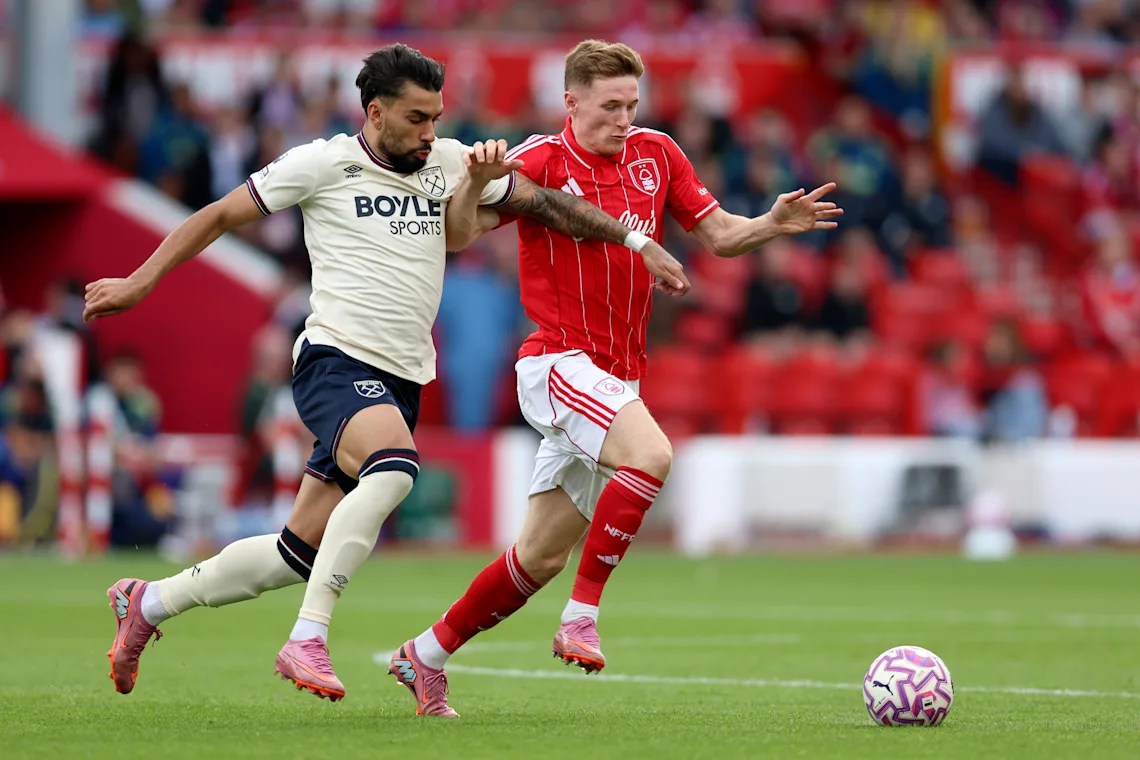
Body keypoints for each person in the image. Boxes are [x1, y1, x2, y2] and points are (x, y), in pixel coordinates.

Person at [86, 43, 690, 702]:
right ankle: (306, 638)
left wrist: (634, 240)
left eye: (436, 117)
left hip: (401, 378)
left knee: (292, 556)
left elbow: (548, 206)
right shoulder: (324, 164)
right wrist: (139, 283)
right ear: (375, 113)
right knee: (396, 468)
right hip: (335, 360)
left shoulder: (450, 161)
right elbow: (217, 216)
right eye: (416, 119)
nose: (430, 132)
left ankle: (147, 603)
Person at [387, 39, 841, 717]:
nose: (624, 118)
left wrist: (771, 224)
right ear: (571, 102)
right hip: (557, 361)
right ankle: (582, 616)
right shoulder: (540, 160)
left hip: (616, 379)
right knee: (653, 454)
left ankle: (423, 655)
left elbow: (716, 235)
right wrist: (477, 183)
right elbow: (457, 235)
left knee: (536, 558)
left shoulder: (657, 154)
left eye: (632, 103)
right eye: (609, 106)